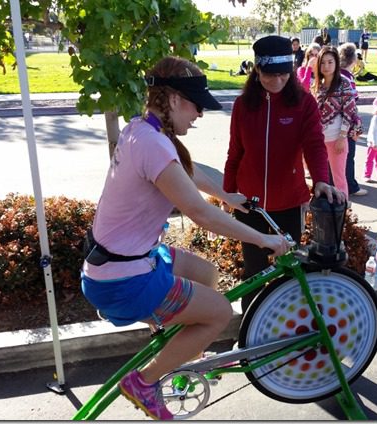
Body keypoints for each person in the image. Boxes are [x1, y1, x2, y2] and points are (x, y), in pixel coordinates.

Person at [80, 56, 292, 420]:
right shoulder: (154, 144)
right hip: (125, 281)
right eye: (196, 106)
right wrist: (263, 240)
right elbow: (200, 214)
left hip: (119, 263)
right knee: (220, 313)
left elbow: (188, 174)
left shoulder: (143, 129)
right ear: (175, 99)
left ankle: (181, 359)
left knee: (206, 274)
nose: (199, 115)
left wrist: (229, 197)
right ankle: (143, 383)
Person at [223, 36, 345, 313]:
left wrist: (321, 180)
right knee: (253, 272)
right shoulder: (243, 106)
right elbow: (234, 153)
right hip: (248, 203)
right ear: (257, 71)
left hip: (289, 202)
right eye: (269, 75)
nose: (276, 81)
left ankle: (283, 328)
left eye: (282, 75)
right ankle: (250, 331)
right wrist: (227, 192)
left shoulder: (304, 103)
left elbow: (314, 145)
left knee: (288, 270)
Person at [311, 46, 362, 199]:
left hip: (336, 139)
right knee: (322, 180)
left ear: (336, 63)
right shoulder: (317, 85)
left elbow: (349, 111)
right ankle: (324, 214)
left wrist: (342, 137)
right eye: (323, 63)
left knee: (339, 179)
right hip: (320, 140)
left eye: (330, 62)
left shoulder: (344, 83)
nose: (326, 66)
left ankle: (342, 217)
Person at [338, 43, 367, 196]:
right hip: (346, 125)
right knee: (348, 155)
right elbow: (351, 106)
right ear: (353, 60)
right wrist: (356, 127)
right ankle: (350, 185)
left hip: (339, 123)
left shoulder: (339, 75)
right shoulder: (346, 79)